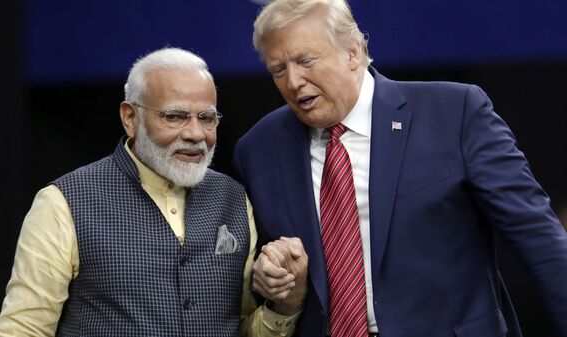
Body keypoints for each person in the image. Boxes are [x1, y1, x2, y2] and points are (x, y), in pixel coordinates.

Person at [233, 0, 567, 336]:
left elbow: (538, 239)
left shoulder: (455, 114)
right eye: (278, 70)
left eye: (306, 61)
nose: (293, 81)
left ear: (353, 53)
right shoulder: (259, 149)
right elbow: (265, 276)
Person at [0, 47, 305, 337]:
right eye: (175, 116)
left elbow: (242, 327)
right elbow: (23, 328)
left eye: (206, 118)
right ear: (131, 118)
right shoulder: (63, 202)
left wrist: (284, 305)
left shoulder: (234, 198)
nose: (196, 134)